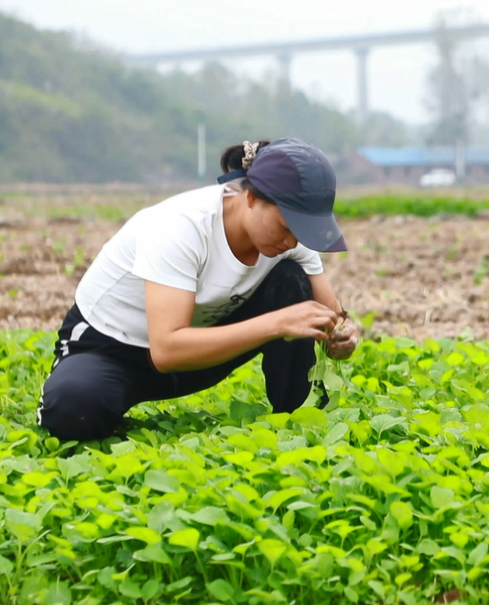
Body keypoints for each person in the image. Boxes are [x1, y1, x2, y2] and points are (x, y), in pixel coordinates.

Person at [37, 138, 360, 442]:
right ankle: (99, 396)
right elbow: (166, 351)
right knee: (72, 410)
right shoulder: (181, 226)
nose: (292, 241)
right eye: (287, 228)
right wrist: (276, 324)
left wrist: (341, 337)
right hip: (113, 349)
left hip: (196, 353)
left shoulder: (288, 240)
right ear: (250, 197)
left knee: (291, 279)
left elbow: (328, 317)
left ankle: (299, 420)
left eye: (302, 233)